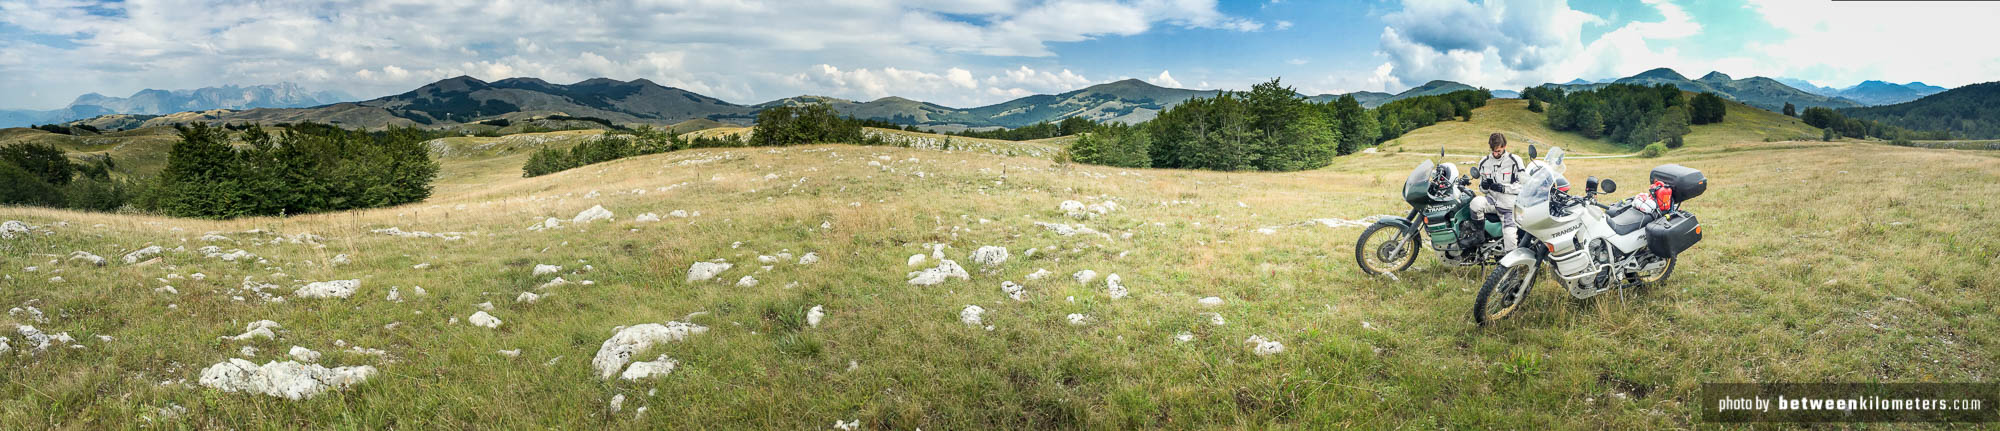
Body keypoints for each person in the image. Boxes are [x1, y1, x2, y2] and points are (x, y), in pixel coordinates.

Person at [1471, 133, 1525, 251]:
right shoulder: (1484, 162)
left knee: (1510, 238)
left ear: (1504, 146)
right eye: (1493, 151)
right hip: (1491, 201)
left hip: (1508, 206)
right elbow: (1481, 188)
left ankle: (1511, 261)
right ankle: (1479, 235)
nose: (1495, 154)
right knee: (1475, 203)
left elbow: (1523, 186)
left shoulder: (1515, 161)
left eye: (1498, 151)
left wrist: (1503, 188)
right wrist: (1484, 186)